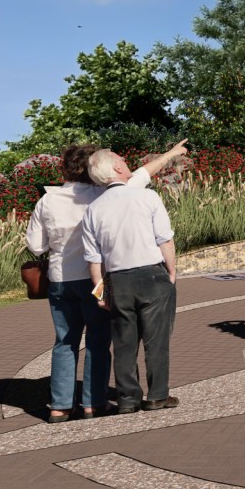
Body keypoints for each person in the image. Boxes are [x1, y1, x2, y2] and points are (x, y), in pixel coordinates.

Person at [26, 140, 187, 423]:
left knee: (65, 342)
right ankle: (93, 403)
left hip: (61, 280)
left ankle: (60, 406)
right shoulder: (103, 196)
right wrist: (171, 154)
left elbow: (36, 246)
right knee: (99, 342)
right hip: (100, 280)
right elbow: (144, 173)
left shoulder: (48, 200)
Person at [83, 149, 180, 415]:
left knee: (124, 343)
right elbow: (165, 239)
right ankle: (157, 395)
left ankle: (128, 399)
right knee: (156, 340)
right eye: (123, 161)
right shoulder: (146, 196)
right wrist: (171, 272)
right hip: (151, 274)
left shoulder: (93, 209)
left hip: (118, 279)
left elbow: (94, 258)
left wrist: (99, 292)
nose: (127, 163)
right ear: (115, 168)